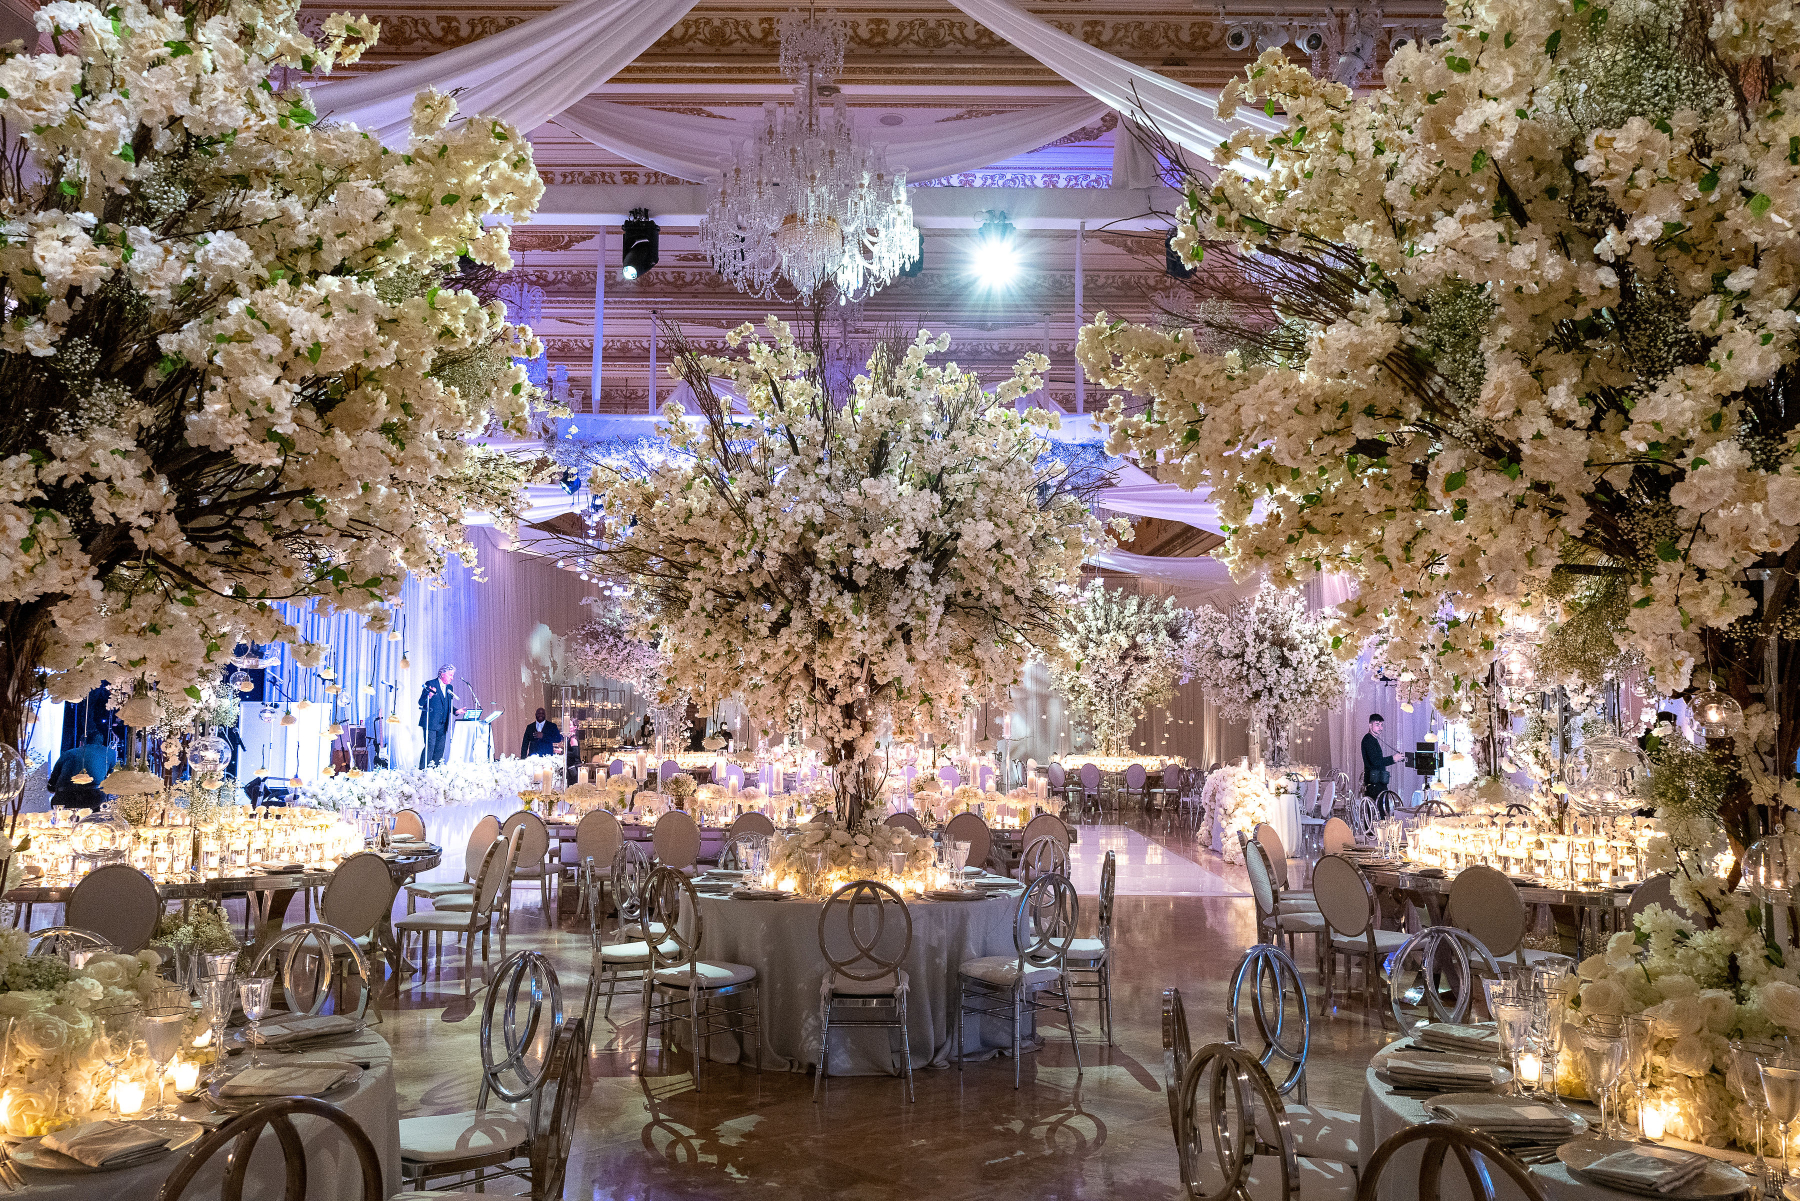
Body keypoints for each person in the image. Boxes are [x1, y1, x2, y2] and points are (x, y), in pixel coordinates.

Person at [49, 728, 115, 809]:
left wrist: (52, 787)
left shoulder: (67, 753)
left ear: (81, 743)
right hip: (93, 799)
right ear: (101, 743)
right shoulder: (110, 753)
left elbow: (54, 778)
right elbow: (112, 776)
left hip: (63, 798)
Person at [418, 664, 463, 768]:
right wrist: (429, 695)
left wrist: (456, 711)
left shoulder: (449, 687)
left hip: (443, 722)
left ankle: (435, 770)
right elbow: (421, 702)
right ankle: (422, 771)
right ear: (442, 674)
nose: (452, 678)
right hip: (430, 721)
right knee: (430, 747)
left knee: (440, 748)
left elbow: (447, 704)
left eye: (452, 675)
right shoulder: (430, 683)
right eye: (450, 675)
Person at [1361, 713, 1402, 818]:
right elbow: (1375, 762)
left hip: (1377, 783)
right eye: (1377, 724)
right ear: (1370, 725)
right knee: (1379, 815)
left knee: (1381, 814)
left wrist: (1394, 759)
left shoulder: (1372, 739)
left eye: (1382, 725)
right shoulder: (1368, 740)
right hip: (1374, 785)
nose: (1380, 728)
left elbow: (1377, 761)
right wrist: (1393, 759)